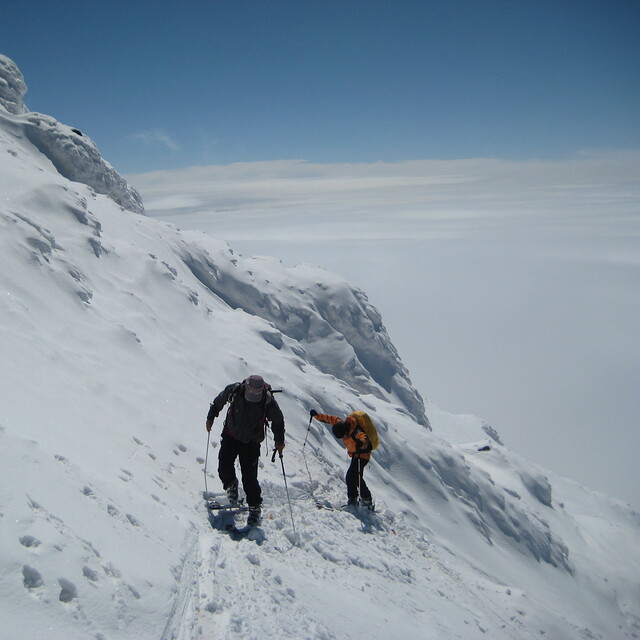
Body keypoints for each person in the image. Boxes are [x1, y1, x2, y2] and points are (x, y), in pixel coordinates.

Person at [206, 375, 285, 525]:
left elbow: (278, 420)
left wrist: (279, 440)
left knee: (249, 478)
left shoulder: (266, 400)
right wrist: (211, 416)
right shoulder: (235, 390)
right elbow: (219, 401)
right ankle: (231, 485)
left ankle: (255, 506)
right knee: (224, 467)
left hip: (251, 442)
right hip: (231, 436)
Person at [310, 409, 373, 508]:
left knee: (352, 477)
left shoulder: (356, 431)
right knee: (354, 477)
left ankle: (362, 500)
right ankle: (361, 499)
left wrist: (362, 443)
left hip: (363, 455)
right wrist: (317, 416)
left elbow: (363, 438)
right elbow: (330, 419)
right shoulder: (340, 423)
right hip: (356, 455)